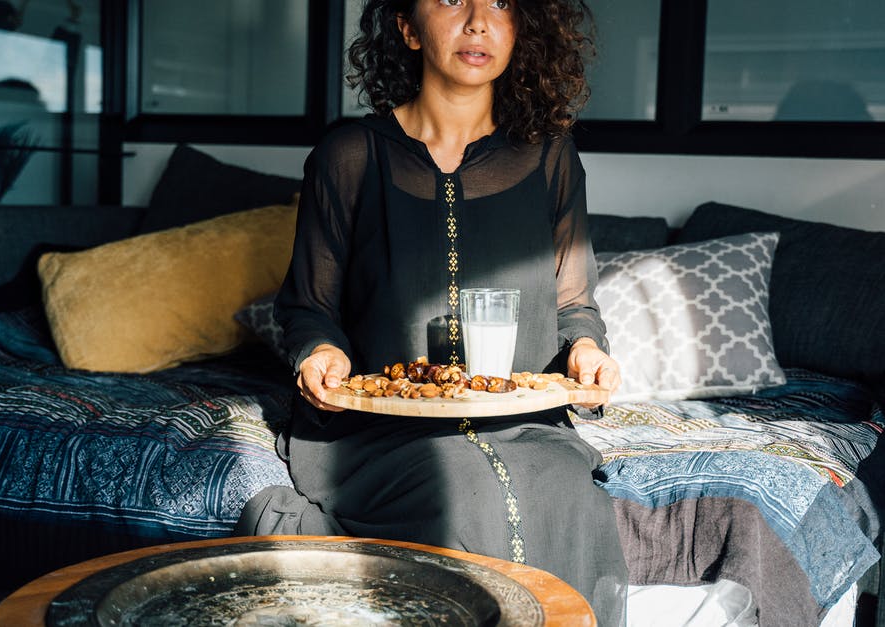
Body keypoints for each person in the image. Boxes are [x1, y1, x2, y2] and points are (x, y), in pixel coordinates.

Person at [236, 0, 629, 623]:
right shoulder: (350, 155)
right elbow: (310, 307)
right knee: (459, 485)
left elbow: (575, 304)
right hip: (383, 428)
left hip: (521, 424)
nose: (478, 21)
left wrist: (585, 348)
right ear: (407, 27)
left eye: (500, 3)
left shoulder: (549, 155)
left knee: (572, 498)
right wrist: (322, 353)